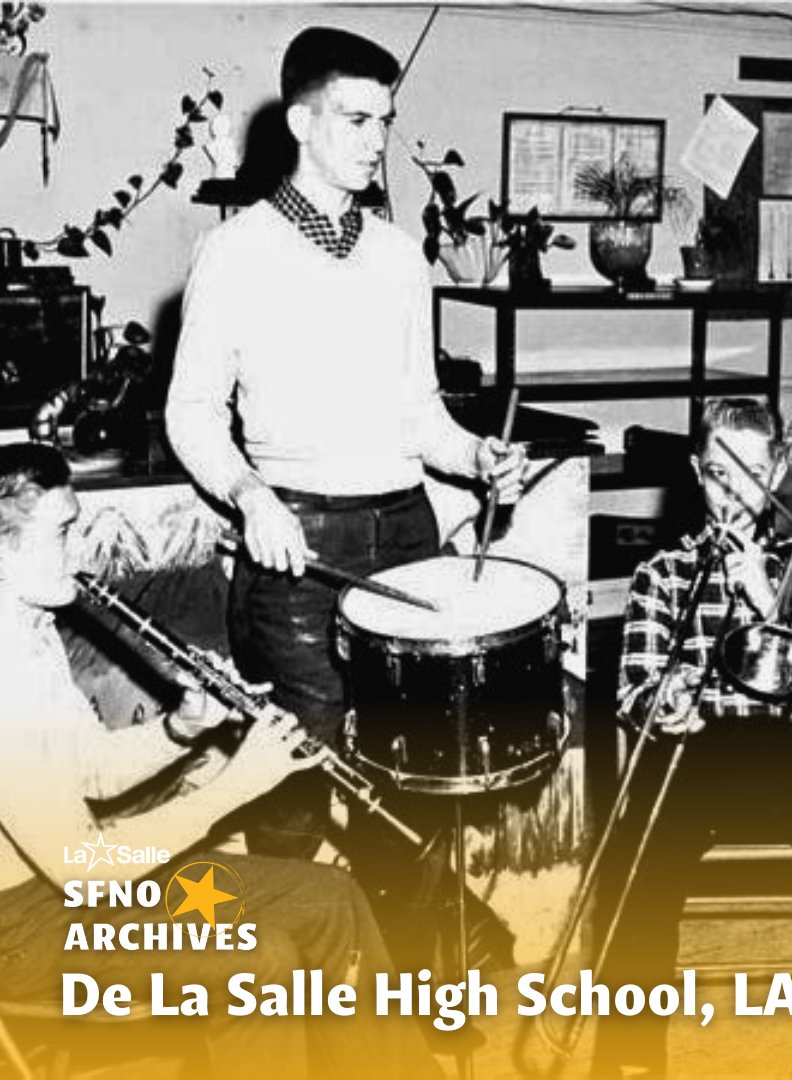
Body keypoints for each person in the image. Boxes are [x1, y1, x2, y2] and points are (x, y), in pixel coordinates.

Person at [165, 26, 526, 860]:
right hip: (297, 543)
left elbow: (419, 414)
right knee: (293, 773)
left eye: (385, 121)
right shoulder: (234, 251)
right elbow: (190, 411)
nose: (377, 142)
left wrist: (474, 456)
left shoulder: (401, 259)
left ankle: (402, 968)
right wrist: (251, 495)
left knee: (409, 775)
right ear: (299, 122)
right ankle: (295, 970)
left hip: (405, 531)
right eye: (356, 120)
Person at [0, 442, 441, 1080]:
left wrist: (181, 731)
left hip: (69, 898)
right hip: (23, 932)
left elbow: (88, 769)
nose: (77, 549)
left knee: (330, 897)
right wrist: (232, 788)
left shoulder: (26, 628)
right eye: (61, 532)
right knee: (256, 963)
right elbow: (84, 869)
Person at [591, 399, 792, 1079]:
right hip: (694, 757)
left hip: (787, 756)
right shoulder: (661, 573)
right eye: (723, 476)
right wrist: (663, 703)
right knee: (633, 855)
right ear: (699, 474)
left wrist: (765, 602)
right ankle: (629, 1058)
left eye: (754, 474)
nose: (738, 492)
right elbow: (633, 693)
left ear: (779, 469)